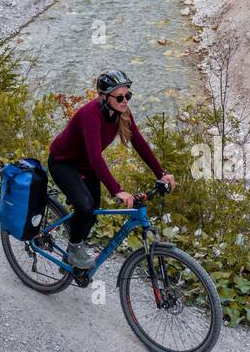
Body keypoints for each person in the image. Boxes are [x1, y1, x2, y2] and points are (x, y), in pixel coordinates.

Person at [48, 69, 175, 269]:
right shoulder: (91, 115)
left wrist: (161, 173)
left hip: (86, 166)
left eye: (128, 96)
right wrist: (117, 189)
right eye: (120, 97)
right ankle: (73, 248)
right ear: (105, 97)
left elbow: (139, 143)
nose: (125, 101)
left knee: (93, 212)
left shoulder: (121, 113)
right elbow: (95, 156)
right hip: (63, 162)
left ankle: (74, 247)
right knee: (84, 206)